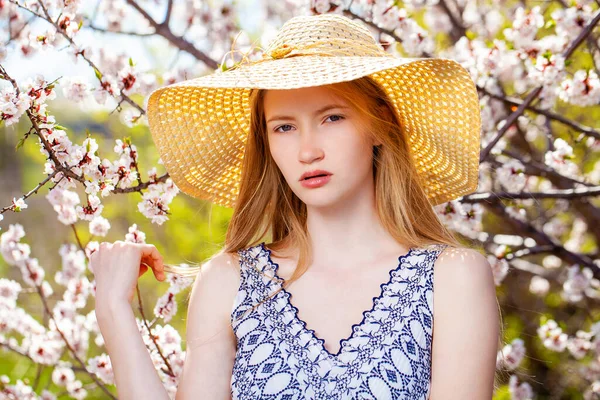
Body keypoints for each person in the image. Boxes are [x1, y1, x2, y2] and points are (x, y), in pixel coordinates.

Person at [90, 13, 501, 400]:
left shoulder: (452, 279)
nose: (307, 151)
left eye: (332, 118)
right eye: (284, 127)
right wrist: (113, 311)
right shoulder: (229, 281)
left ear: (378, 124)